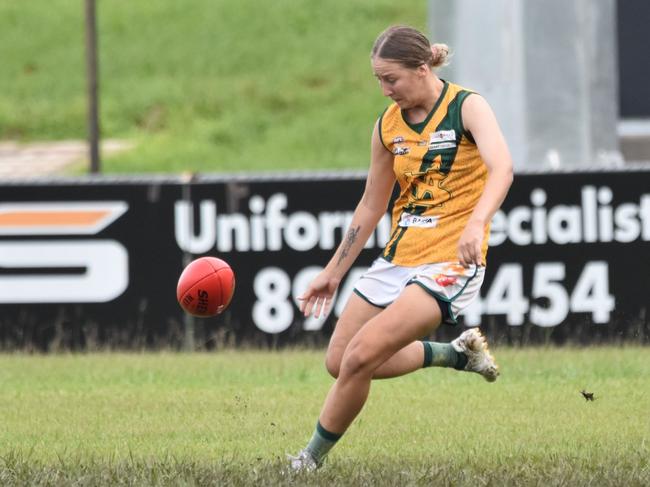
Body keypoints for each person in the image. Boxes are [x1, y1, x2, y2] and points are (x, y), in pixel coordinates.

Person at [289, 25, 513, 471]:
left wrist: (476, 224)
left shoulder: (468, 107)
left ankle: (306, 462)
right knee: (339, 361)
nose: (384, 89)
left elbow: (502, 167)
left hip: (452, 258)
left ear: (422, 68)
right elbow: (372, 204)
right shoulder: (387, 126)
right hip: (400, 256)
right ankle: (455, 355)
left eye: (390, 79)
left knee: (361, 356)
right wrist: (334, 270)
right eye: (378, 79)